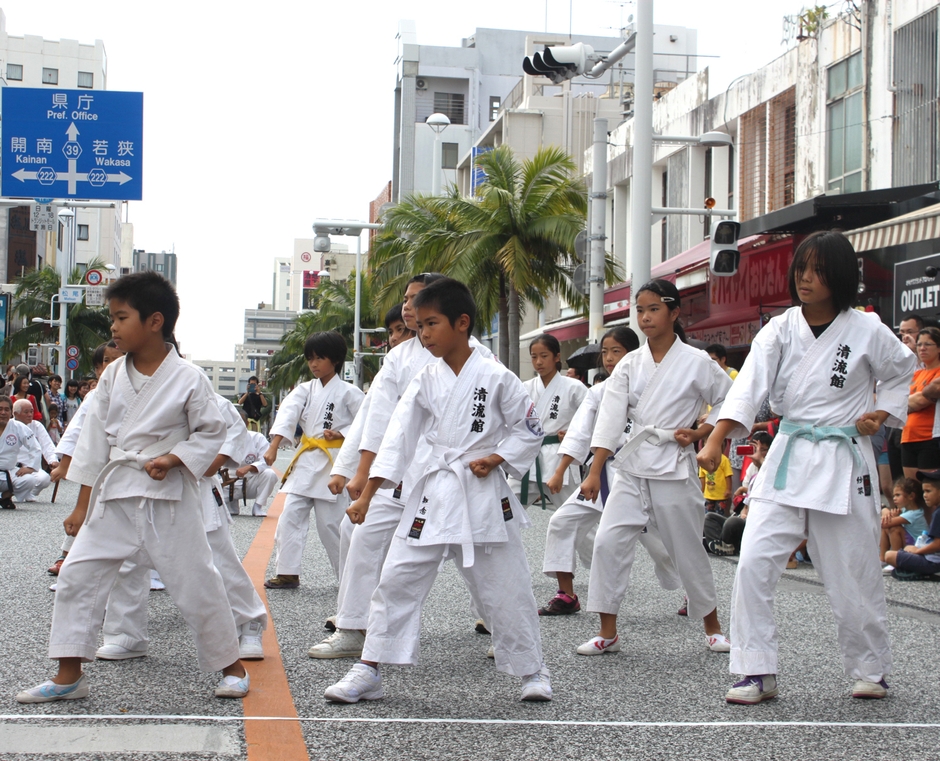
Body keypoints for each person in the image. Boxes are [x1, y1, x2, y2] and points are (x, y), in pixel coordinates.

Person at [697, 230, 917, 705]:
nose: (806, 279)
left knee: (852, 570)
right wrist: (716, 436)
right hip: (790, 455)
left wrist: (881, 413)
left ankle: (871, 669)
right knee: (753, 561)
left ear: (839, 276)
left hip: (843, 459)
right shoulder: (779, 328)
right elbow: (749, 385)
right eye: (801, 270)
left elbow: (902, 369)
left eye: (817, 271)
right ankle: (756, 670)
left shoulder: (867, 329)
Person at [16, 270, 250, 703]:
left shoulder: (189, 377)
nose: (114, 327)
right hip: (115, 495)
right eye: (112, 318)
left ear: (155, 321)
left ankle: (232, 667)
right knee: (77, 576)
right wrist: (80, 506)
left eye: (121, 317)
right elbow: (91, 445)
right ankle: (69, 674)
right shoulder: (111, 376)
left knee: (196, 581)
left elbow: (212, 432)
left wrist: (174, 457)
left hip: (167, 499)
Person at [324, 277, 551, 703]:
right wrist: (368, 495)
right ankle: (369, 667)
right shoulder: (425, 379)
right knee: (396, 579)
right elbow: (398, 438)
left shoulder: (496, 376)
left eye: (431, 324)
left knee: (507, 585)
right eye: (420, 326)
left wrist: (497, 458)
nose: (423, 334)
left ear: (462, 323)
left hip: (482, 494)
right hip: (430, 493)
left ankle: (533, 670)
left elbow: (528, 430)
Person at [311, 273, 494, 660]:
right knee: (362, 535)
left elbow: (495, 418)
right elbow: (376, 420)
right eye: (407, 300)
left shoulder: (479, 357)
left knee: (475, 556)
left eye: (417, 300)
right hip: (398, 471)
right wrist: (357, 472)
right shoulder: (398, 357)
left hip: (455, 475)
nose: (409, 307)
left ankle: (498, 624)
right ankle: (353, 627)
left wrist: (492, 459)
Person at [578, 278, 733, 657]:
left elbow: (730, 403)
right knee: (607, 541)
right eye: (640, 311)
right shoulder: (629, 364)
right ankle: (607, 631)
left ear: (674, 312)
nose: (645, 318)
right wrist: (595, 470)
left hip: (674, 466)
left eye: (653, 310)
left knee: (687, 548)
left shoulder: (698, 362)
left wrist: (701, 432)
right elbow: (610, 420)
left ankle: (712, 626)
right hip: (631, 466)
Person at [95, 393, 268, 663]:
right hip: (139, 482)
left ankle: (248, 624)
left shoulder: (193, 386)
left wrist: (217, 460)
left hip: (194, 484)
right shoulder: (122, 391)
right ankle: (124, 633)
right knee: (129, 560)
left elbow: (234, 429)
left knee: (217, 559)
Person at [539, 327, 682, 616]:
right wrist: (561, 469)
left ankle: (692, 589)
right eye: (605, 352)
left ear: (632, 353)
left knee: (658, 541)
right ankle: (567, 594)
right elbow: (579, 433)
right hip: (599, 475)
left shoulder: (652, 386)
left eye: (616, 351)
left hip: (639, 473)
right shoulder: (597, 393)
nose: (609, 358)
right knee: (561, 522)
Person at [263, 332, 364, 589]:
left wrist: (342, 433)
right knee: (290, 516)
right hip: (307, 460)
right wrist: (274, 446)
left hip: (334, 465)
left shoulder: (350, 392)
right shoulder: (305, 390)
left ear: (336, 359)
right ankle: (287, 572)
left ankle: (348, 578)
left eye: (320, 358)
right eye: (310, 359)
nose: (314, 364)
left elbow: (367, 423)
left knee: (331, 524)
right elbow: (288, 414)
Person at [46, 343, 125, 580]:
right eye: (103, 362)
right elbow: (78, 432)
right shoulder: (96, 395)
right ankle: (67, 556)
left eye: (113, 360)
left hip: (135, 469)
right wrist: (64, 464)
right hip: (102, 464)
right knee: (89, 514)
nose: (106, 367)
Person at [511, 334, 587, 510]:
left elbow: (590, 421)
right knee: (506, 511)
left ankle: (594, 539)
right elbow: (514, 421)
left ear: (557, 357)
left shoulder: (574, 388)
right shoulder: (525, 388)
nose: (538, 362)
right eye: (534, 356)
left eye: (544, 356)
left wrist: (573, 435)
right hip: (529, 457)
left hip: (559, 458)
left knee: (573, 515)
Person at [706, 432, 772, 556]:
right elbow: (747, 499)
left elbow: (768, 488)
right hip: (746, 516)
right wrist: (743, 511)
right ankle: (721, 545)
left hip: (758, 521)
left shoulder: (772, 467)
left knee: (733, 523)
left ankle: (720, 545)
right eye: (754, 448)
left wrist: (761, 460)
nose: (758, 452)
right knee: (710, 517)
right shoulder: (752, 467)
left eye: (763, 450)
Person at [883, 469, 940, 579]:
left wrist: (918, 551)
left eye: (928, 491)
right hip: (932, 557)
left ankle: (927, 572)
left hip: (934, 561)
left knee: (889, 556)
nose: (924, 496)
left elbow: (938, 544)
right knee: (907, 548)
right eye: (924, 492)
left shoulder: (938, 513)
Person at [901, 326, 940, 480]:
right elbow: (900, 401)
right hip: (908, 436)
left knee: (929, 489)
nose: (922, 348)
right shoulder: (916, 374)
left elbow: (921, 401)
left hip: (928, 437)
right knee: (911, 492)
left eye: (927, 344)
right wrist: (904, 403)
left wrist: (904, 403)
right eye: (919, 345)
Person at [10, 399, 56, 502]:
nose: (30, 414)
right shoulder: (8, 426)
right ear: (16, 413)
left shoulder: (37, 426)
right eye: (26, 412)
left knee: (44, 479)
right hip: (12, 466)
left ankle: (27, 493)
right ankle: (8, 494)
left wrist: (53, 460)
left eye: (31, 411)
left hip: (31, 466)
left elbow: (46, 445)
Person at [879, 477, 928, 573]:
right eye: (894, 496)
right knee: (888, 528)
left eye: (898, 495)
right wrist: (894, 516)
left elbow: (884, 524)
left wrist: (884, 510)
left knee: (894, 529)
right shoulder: (906, 510)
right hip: (910, 542)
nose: (894, 498)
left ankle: (896, 559)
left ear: (911, 496)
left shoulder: (914, 514)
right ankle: (882, 559)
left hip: (917, 547)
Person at [228, 429, 279, 517]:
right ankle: (230, 504)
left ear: (246, 424)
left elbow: (266, 461)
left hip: (251, 481)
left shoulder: (258, 438)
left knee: (270, 474)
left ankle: (257, 506)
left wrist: (249, 467)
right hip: (228, 482)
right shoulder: (224, 437)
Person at [0, 395, 35, 510]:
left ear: (11, 413)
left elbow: (35, 448)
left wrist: (30, 467)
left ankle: (6, 496)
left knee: (29, 480)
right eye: (0, 409)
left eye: (6, 409)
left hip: (9, 472)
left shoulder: (18, 427)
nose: (3, 412)